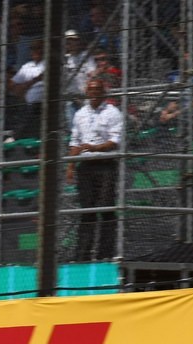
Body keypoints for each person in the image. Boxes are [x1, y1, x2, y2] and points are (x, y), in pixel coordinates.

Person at [66, 79, 122, 261]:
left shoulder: (113, 113)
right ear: (87, 92)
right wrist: (70, 166)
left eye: (98, 89)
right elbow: (75, 141)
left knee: (106, 208)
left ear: (104, 92)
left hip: (105, 165)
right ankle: (82, 254)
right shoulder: (80, 113)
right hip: (86, 167)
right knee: (86, 209)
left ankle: (105, 253)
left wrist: (95, 148)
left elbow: (115, 141)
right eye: (91, 89)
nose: (94, 92)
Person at [8, 40, 45, 138]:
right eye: (33, 49)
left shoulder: (47, 64)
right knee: (11, 102)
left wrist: (24, 86)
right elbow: (12, 84)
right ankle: (9, 133)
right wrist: (22, 88)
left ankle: (16, 135)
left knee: (30, 109)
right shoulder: (27, 66)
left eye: (38, 48)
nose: (35, 51)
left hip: (40, 104)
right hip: (25, 102)